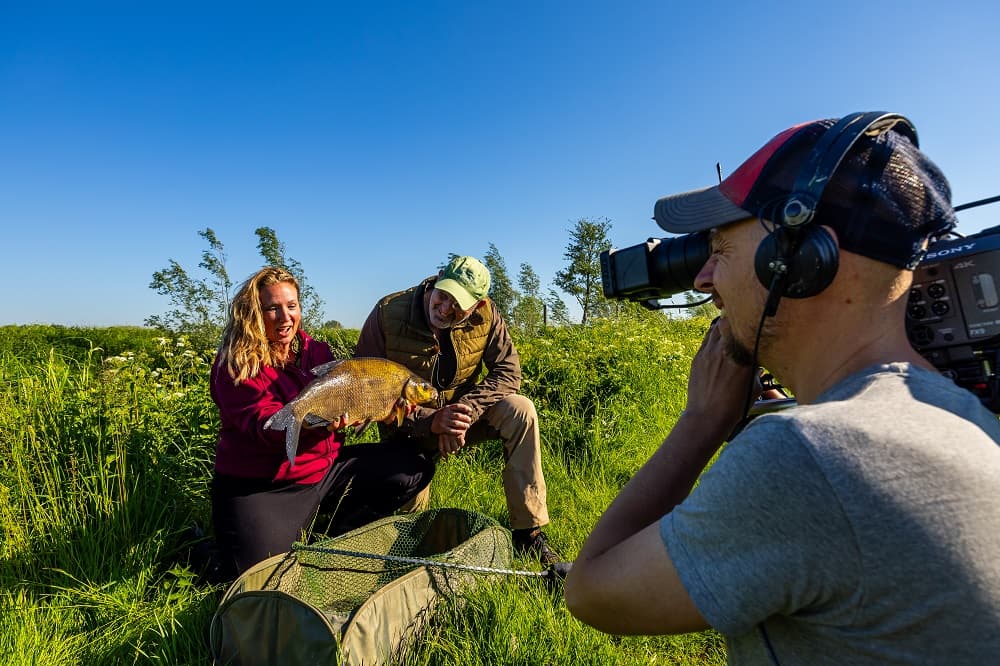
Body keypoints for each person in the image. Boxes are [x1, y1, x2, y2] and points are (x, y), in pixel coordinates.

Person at [564, 113, 1000, 663]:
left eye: (719, 251)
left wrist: (702, 422)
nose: (702, 278)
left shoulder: (809, 456)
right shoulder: (963, 412)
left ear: (799, 259)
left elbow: (592, 592)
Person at [209, 266, 435, 581]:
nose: (285, 316)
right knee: (255, 578)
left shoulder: (314, 351)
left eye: (291, 306)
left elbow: (356, 400)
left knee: (413, 468)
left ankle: (334, 533)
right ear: (253, 314)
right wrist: (318, 424)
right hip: (263, 485)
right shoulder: (236, 364)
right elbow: (263, 429)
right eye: (272, 308)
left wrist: (374, 410)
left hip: (323, 472)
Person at [354, 255, 559, 564]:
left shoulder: (487, 316)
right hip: (408, 429)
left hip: (462, 419)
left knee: (521, 410)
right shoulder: (388, 313)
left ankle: (528, 534)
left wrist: (464, 412)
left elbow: (508, 371)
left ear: (477, 305)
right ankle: (408, 542)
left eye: (458, 304)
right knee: (409, 535)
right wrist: (431, 422)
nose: (445, 308)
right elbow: (365, 388)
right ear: (436, 281)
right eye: (443, 295)